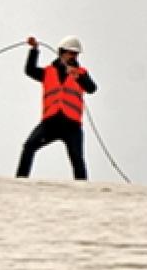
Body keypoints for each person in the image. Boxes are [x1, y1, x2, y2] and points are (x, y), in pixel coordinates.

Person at [16, 35, 98, 181]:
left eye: (76, 54)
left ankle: (83, 191)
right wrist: (34, 50)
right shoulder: (48, 72)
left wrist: (77, 75)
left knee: (77, 159)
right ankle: (21, 181)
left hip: (72, 124)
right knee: (29, 146)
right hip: (51, 122)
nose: (73, 57)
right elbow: (29, 70)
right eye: (70, 53)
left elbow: (91, 88)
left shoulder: (81, 72)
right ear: (61, 52)